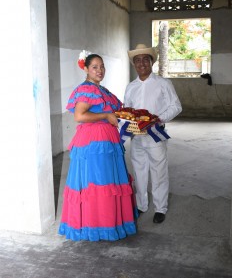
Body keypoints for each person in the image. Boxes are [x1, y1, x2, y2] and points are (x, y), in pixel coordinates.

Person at [58, 50, 137, 241]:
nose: (100, 70)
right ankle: (97, 225)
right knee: (99, 182)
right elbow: (79, 116)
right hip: (95, 143)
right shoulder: (87, 89)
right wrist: (105, 115)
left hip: (107, 140)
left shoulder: (102, 90)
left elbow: (115, 112)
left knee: (108, 181)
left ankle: (108, 222)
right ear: (85, 68)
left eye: (102, 67)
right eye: (95, 67)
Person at [124, 43, 182, 224]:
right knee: (139, 171)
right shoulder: (130, 87)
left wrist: (159, 118)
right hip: (137, 137)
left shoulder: (163, 84)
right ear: (134, 64)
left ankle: (160, 208)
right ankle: (141, 205)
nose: (141, 63)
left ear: (151, 62)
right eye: (137, 60)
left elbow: (176, 106)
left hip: (156, 135)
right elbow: (127, 110)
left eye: (145, 59)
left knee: (159, 172)